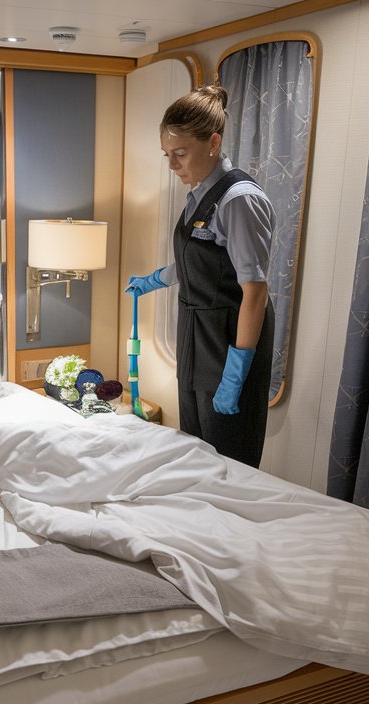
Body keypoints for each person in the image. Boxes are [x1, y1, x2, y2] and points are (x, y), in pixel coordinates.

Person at [125, 84, 275, 468]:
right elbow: (203, 259)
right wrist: (156, 279)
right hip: (196, 335)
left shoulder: (239, 199)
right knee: (196, 452)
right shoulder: (197, 194)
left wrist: (236, 371)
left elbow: (254, 291)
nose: (172, 165)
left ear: (213, 143)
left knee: (229, 459)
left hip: (228, 338)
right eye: (167, 155)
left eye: (179, 154)